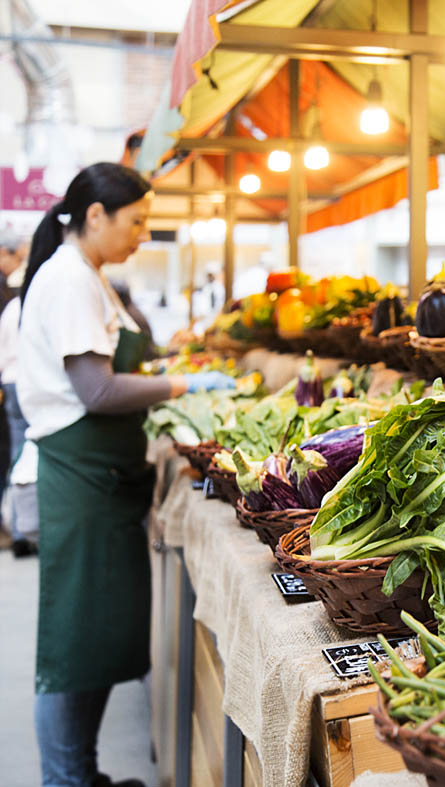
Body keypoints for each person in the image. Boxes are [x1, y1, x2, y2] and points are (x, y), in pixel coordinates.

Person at [19, 163, 236, 787]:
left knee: (89, 642)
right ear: (96, 216)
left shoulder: (89, 277)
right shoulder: (69, 281)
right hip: (81, 477)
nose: (143, 235)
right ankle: (66, 779)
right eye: (136, 222)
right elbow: (97, 389)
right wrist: (186, 381)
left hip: (101, 479)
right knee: (71, 645)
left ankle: (80, 774)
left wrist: (172, 369)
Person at [0, 237, 36, 556]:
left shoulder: (12, 308)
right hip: (25, 386)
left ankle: (20, 526)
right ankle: (23, 527)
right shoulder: (27, 308)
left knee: (19, 452)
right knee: (28, 453)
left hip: (12, 385)